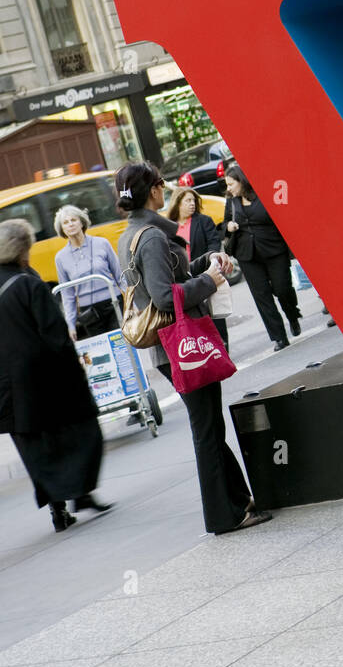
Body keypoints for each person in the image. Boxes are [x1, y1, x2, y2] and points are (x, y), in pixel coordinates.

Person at [115, 161, 270, 536]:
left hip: (171, 349)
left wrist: (204, 265)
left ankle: (239, 500)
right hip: (181, 347)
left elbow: (169, 277)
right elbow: (166, 298)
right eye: (160, 183)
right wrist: (209, 281)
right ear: (152, 190)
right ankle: (224, 515)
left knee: (211, 426)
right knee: (206, 429)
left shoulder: (133, 233)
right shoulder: (151, 236)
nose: (164, 188)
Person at [0, 219, 111, 534]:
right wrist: (74, 370)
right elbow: (55, 336)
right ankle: (81, 492)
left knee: (37, 447)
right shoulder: (29, 283)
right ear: (23, 249)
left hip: (9, 390)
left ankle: (58, 509)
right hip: (44, 379)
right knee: (81, 430)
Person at [222, 165, 301, 351]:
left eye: (231, 184)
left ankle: (292, 315)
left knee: (282, 288)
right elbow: (224, 224)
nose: (229, 188)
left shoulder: (263, 194)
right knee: (262, 295)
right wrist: (229, 226)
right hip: (247, 255)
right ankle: (278, 336)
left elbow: (281, 216)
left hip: (274, 249)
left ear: (241, 181)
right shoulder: (231, 202)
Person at [165, 187, 230, 348]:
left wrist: (209, 261)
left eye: (194, 200)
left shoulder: (204, 221)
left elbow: (214, 243)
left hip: (206, 273)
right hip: (184, 279)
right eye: (187, 200)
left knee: (215, 313)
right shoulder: (168, 228)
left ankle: (223, 346)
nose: (192, 204)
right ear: (177, 203)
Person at [54, 207, 124, 340]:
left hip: (114, 304)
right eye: (66, 222)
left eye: (74, 220)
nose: (70, 224)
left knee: (121, 345)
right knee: (102, 353)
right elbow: (67, 295)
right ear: (62, 229)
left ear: (81, 222)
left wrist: (134, 305)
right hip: (88, 312)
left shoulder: (102, 243)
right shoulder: (60, 258)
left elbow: (120, 276)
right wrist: (71, 324)